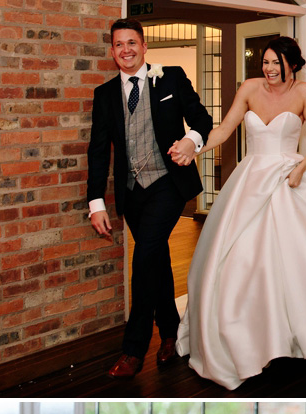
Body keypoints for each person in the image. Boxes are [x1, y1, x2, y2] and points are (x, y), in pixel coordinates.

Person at [175, 38, 306, 391]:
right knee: (237, 260)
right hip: (250, 178)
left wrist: (301, 168)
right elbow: (224, 129)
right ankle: (246, 341)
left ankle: (303, 335)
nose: (269, 69)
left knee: (296, 261)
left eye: (276, 63)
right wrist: (195, 146)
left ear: (292, 64)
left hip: (289, 177)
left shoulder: (304, 92)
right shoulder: (249, 88)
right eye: (265, 62)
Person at [87, 18, 213, 379]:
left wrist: (192, 141)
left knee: (143, 260)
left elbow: (202, 119)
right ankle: (172, 333)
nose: (125, 50)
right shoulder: (105, 95)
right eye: (118, 44)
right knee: (155, 261)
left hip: (168, 185)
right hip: (132, 193)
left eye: (132, 43)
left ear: (144, 47)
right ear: (112, 51)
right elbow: (98, 152)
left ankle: (134, 349)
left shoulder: (170, 77)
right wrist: (96, 203)